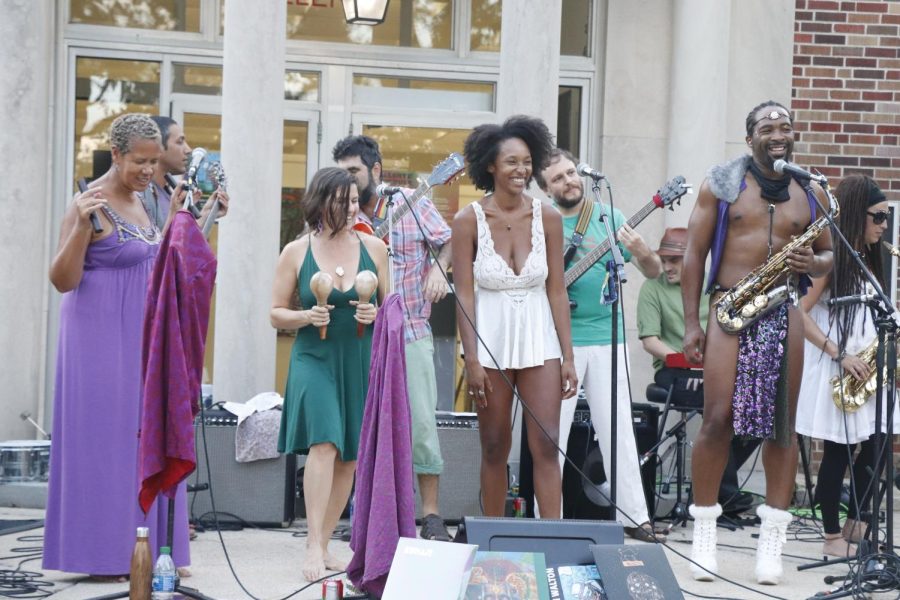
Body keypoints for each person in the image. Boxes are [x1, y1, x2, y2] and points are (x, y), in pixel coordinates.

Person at [682, 100, 833, 584]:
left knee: (783, 426)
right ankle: (704, 534)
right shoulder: (722, 183)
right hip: (729, 308)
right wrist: (691, 323)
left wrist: (816, 265)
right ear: (750, 138)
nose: (778, 134)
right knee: (718, 418)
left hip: (782, 307)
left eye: (785, 127)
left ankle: (772, 544)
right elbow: (693, 254)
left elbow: (831, 255)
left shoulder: (810, 191)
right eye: (768, 127)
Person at [44, 113, 189, 579]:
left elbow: (153, 256)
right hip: (98, 336)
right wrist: (84, 228)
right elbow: (62, 280)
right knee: (106, 440)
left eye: (153, 162)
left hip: (144, 334)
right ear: (117, 155)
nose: (149, 171)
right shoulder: (89, 202)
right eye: (140, 162)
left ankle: (151, 550)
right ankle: (101, 553)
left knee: (145, 435)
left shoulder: (146, 198)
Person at [453, 115, 578, 519]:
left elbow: (557, 291)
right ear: (490, 165)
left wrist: (568, 356)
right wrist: (471, 358)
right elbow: (465, 296)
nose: (521, 170)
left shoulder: (549, 218)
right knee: (493, 444)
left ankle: (553, 538)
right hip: (489, 339)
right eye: (511, 162)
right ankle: (492, 539)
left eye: (526, 162)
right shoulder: (467, 220)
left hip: (539, 337)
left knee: (547, 441)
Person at [536, 148, 663, 542]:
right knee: (549, 434)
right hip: (555, 342)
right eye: (557, 178)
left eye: (571, 173)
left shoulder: (610, 217)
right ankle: (547, 521)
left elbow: (655, 270)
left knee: (619, 429)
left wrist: (642, 251)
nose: (568, 181)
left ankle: (634, 518)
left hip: (608, 337)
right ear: (545, 188)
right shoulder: (541, 222)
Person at [332, 135, 454, 541]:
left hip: (411, 331)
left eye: (354, 171)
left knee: (421, 423)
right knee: (359, 428)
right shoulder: (339, 210)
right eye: (342, 172)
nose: (347, 180)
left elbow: (448, 240)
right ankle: (361, 515)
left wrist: (439, 270)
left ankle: (432, 516)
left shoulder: (410, 200)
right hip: (358, 336)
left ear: (376, 171)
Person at [271, 167, 388, 582]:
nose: (351, 207)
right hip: (313, 356)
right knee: (323, 443)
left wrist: (375, 313)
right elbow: (275, 312)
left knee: (349, 457)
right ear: (321, 202)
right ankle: (311, 545)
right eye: (342, 201)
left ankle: (324, 542)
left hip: (358, 356)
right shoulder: (296, 251)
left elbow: (390, 311)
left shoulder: (374, 248)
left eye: (355, 200)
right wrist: (305, 314)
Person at [795, 174, 897, 558]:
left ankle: (858, 521)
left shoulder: (869, 260)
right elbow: (799, 313)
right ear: (857, 214)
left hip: (868, 371)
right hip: (837, 367)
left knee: (880, 442)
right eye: (879, 216)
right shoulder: (832, 258)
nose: (885, 225)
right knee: (837, 452)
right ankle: (831, 537)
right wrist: (840, 353)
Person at [636, 227, 759, 517]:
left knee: (758, 408)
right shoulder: (652, 288)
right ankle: (724, 494)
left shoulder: (713, 285)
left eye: (675, 261)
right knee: (716, 405)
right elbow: (650, 341)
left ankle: (711, 487)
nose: (667, 267)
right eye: (664, 260)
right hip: (673, 369)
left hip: (715, 367)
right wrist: (685, 360)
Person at [141, 115, 228, 233]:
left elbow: (182, 243)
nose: (188, 149)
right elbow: (157, 248)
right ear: (158, 146)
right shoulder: (142, 194)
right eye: (180, 142)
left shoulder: (170, 193)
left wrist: (207, 213)